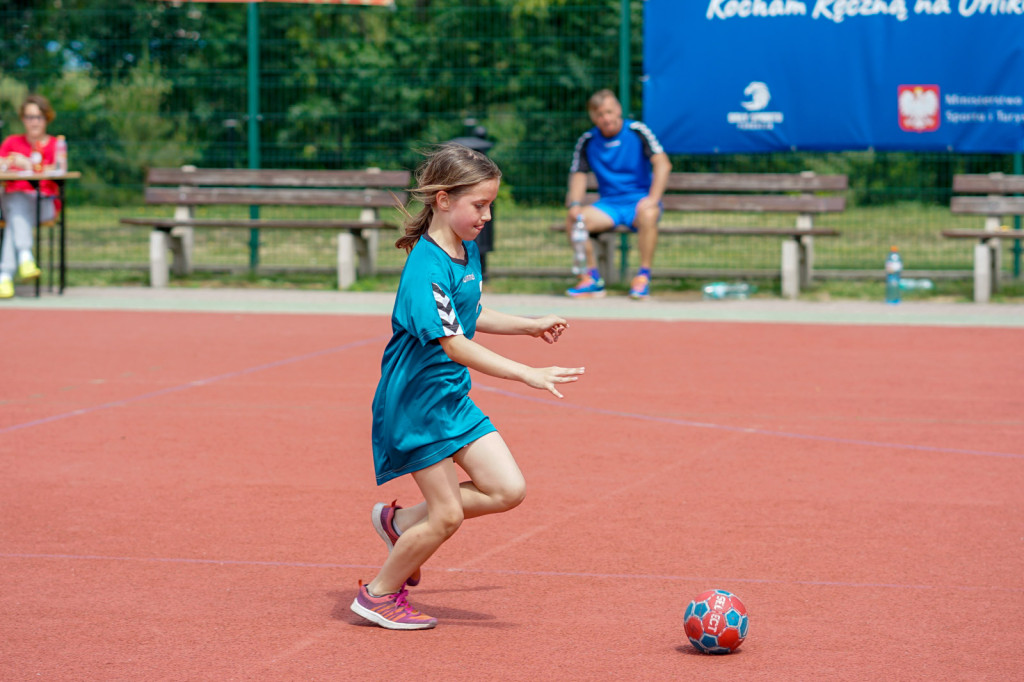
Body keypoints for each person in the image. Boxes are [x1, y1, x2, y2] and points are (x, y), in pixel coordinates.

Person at [350, 144, 584, 630]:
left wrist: (529, 325)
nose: (487, 215)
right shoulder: (426, 267)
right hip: (415, 405)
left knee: (507, 489)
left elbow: (471, 313)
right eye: (479, 205)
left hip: (450, 399)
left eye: (490, 204)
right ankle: (378, 595)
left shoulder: (465, 249)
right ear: (442, 199)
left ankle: (400, 524)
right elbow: (454, 343)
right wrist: (527, 373)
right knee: (448, 515)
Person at [564, 89, 671, 300]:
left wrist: (653, 200)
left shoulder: (637, 131)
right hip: (609, 206)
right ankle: (591, 278)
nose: (606, 118)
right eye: (599, 115)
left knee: (649, 215)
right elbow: (578, 174)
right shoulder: (587, 140)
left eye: (609, 112)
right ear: (593, 117)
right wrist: (575, 203)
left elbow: (663, 163)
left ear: (618, 110)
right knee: (575, 219)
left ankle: (643, 277)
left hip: (639, 204)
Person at [0, 94, 59, 299]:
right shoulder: (12, 142)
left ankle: (6, 275)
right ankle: (21, 261)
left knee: (14, 219)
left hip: (44, 204)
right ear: (23, 119)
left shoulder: (54, 144)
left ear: (46, 118)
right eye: (29, 117)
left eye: (38, 117)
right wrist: (6, 163)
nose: (34, 122)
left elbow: (59, 169)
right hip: (16, 203)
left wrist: (30, 166)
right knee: (16, 204)